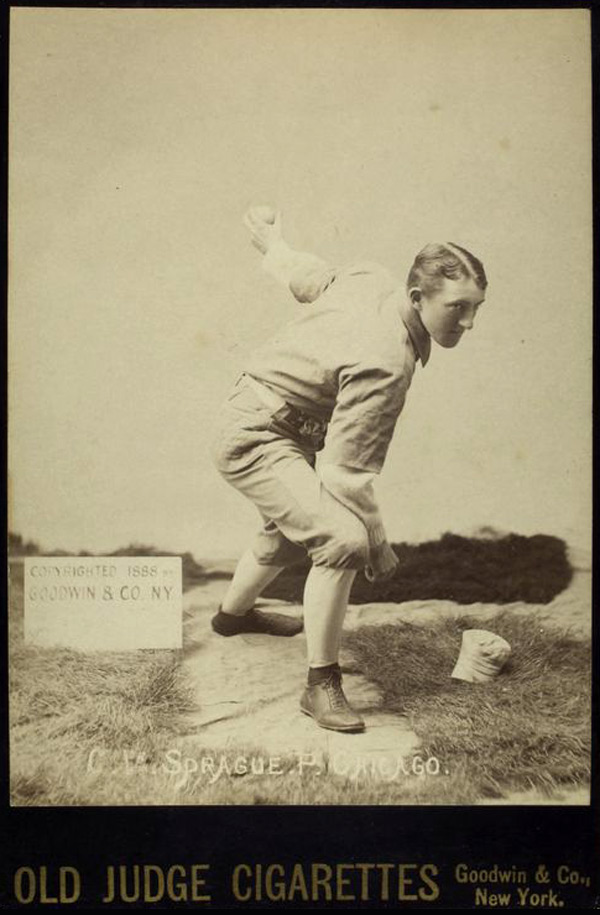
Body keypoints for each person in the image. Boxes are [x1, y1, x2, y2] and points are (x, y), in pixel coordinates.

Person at [210, 207, 487, 733]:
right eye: (457, 308)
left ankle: (232, 616)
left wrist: (272, 243)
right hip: (256, 434)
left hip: (267, 419)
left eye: (476, 308)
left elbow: (307, 275)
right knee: (342, 539)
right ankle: (321, 684)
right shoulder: (387, 361)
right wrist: (378, 544)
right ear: (416, 298)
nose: (468, 323)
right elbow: (345, 475)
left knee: (290, 525)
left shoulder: (371, 277)